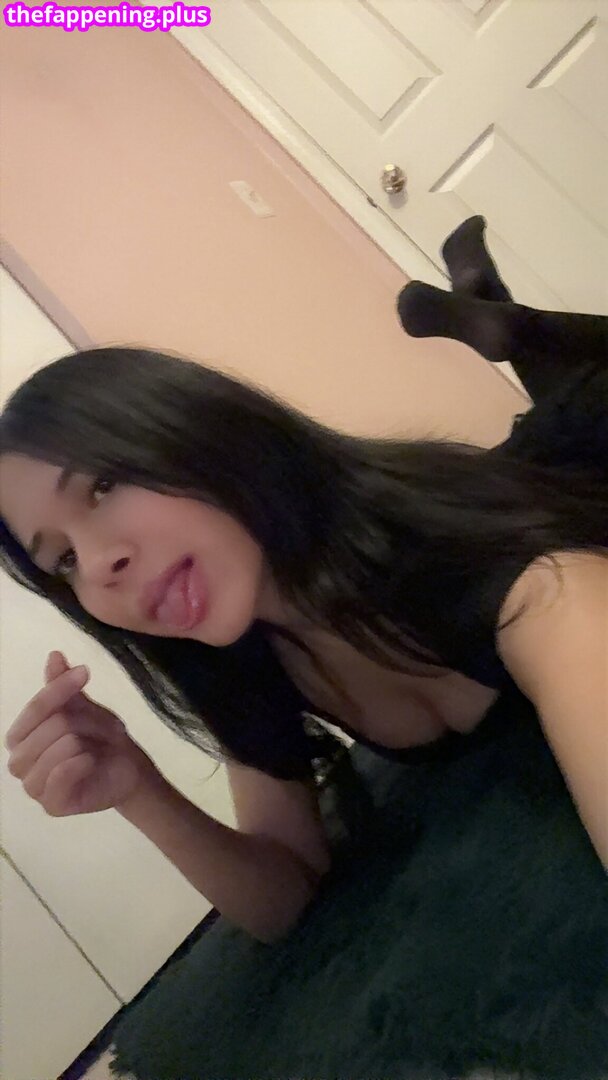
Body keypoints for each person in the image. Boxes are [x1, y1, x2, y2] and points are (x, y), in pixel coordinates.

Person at [1, 219, 607, 944]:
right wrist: (137, 788)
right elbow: (284, 890)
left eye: (102, 486)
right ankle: (500, 320)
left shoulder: (535, 585)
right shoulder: (251, 652)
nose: (99, 564)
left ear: (198, 432)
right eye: (63, 561)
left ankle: (516, 329)